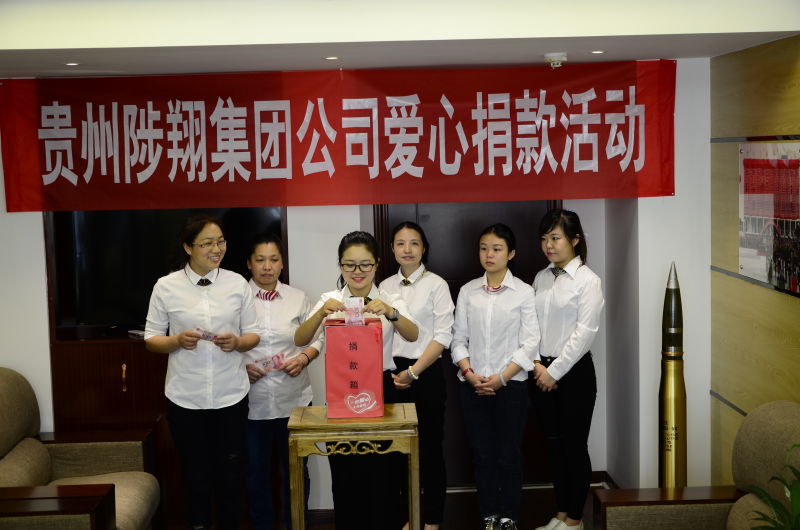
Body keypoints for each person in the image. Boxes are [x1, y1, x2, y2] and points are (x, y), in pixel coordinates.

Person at [294, 230, 419, 530]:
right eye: (349, 265)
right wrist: (320, 315)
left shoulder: (389, 297)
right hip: (341, 393)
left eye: (365, 264)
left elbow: (413, 334)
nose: (357, 271)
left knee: (384, 474)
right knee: (346, 474)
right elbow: (300, 339)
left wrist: (390, 312)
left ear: (377, 263)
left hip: (382, 392)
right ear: (340, 265)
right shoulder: (330, 299)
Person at [144, 214, 262, 530]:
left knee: (231, 476)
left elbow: (253, 334)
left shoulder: (237, 283)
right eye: (207, 243)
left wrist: (237, 342)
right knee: (195, 477)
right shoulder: (166, 286)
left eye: (220, 242)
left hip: (230, 396)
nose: (217, 249)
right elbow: (151, 339)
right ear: (188, 247)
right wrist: (176, 341)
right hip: (186, 398)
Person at [450, 223, 540, 530]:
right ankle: (488, 514)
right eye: (484, 248)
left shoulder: (524, 292)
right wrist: (469, 373)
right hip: (472, 386)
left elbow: (530, 342)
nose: (489, 254)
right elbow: (458, 340)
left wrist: (502, 378)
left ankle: (509, 515)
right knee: (483, 454)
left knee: (508, 454)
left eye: (497, 249)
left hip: (511, 386)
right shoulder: (468, 291)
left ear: (511, 253)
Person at [532, 209, 604, 530]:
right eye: (544, 239)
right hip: (540, 371)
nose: (549, 245)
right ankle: (560, 514)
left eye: (556, 238)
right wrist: (536, 363)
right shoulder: (542, 277)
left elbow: (585, 333)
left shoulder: (588, 281)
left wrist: (554, 372)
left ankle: (575, 519)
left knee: (574, 447)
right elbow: (530, 324)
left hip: (574, 374)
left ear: (575, 240)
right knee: (554, 447)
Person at [379, 221, 454, 530]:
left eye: (414, 243)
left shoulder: (437, 284)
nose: (407, 249)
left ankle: (432, 520)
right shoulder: (383, 287)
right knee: (395, 452)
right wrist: (395, 373)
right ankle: (406, 518)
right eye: (400, 243)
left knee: (430, 450)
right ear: (392, 248)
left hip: (426, 372)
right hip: (391, 375)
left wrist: (414, 371)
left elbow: (443, 336)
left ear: (424, 248)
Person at [243, 233, 317, 530]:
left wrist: (304, 358)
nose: (267, 266)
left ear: (282, 263)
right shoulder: (237, 298)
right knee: (256, 471)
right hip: (252, 401)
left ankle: (295, 525)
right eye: (260, 260)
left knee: (297, 471)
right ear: (249, 263)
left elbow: (318, 337)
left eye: (273, 259)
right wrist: (241, 368)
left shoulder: (298, 298)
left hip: (294, 399)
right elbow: (224, 344)